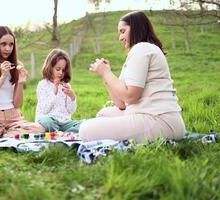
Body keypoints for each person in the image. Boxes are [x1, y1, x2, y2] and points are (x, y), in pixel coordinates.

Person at [79, 11, 185, 143]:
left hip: (159, 120)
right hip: (145, 114)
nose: (120, 37)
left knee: (85, 129)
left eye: (123, 31)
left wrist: (107, 73)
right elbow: (122, 104)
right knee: (104, 113)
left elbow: (131, 96)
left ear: (135, 28)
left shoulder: (142, 49)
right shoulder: (139, 51)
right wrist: (106, 76)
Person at [35, 49, 82, 133]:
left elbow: (71, 110)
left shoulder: (66, 85)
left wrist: (72, 97)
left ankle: (64, 134)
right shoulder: (43, 85)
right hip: (48, 120)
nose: (61, 73)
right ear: (50, 68)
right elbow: (44, 109)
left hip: (64, 122)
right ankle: (60, 134)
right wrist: (54, 92)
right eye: (58, 69)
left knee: (84, 124)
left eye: (63, 70)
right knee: (47, 122)